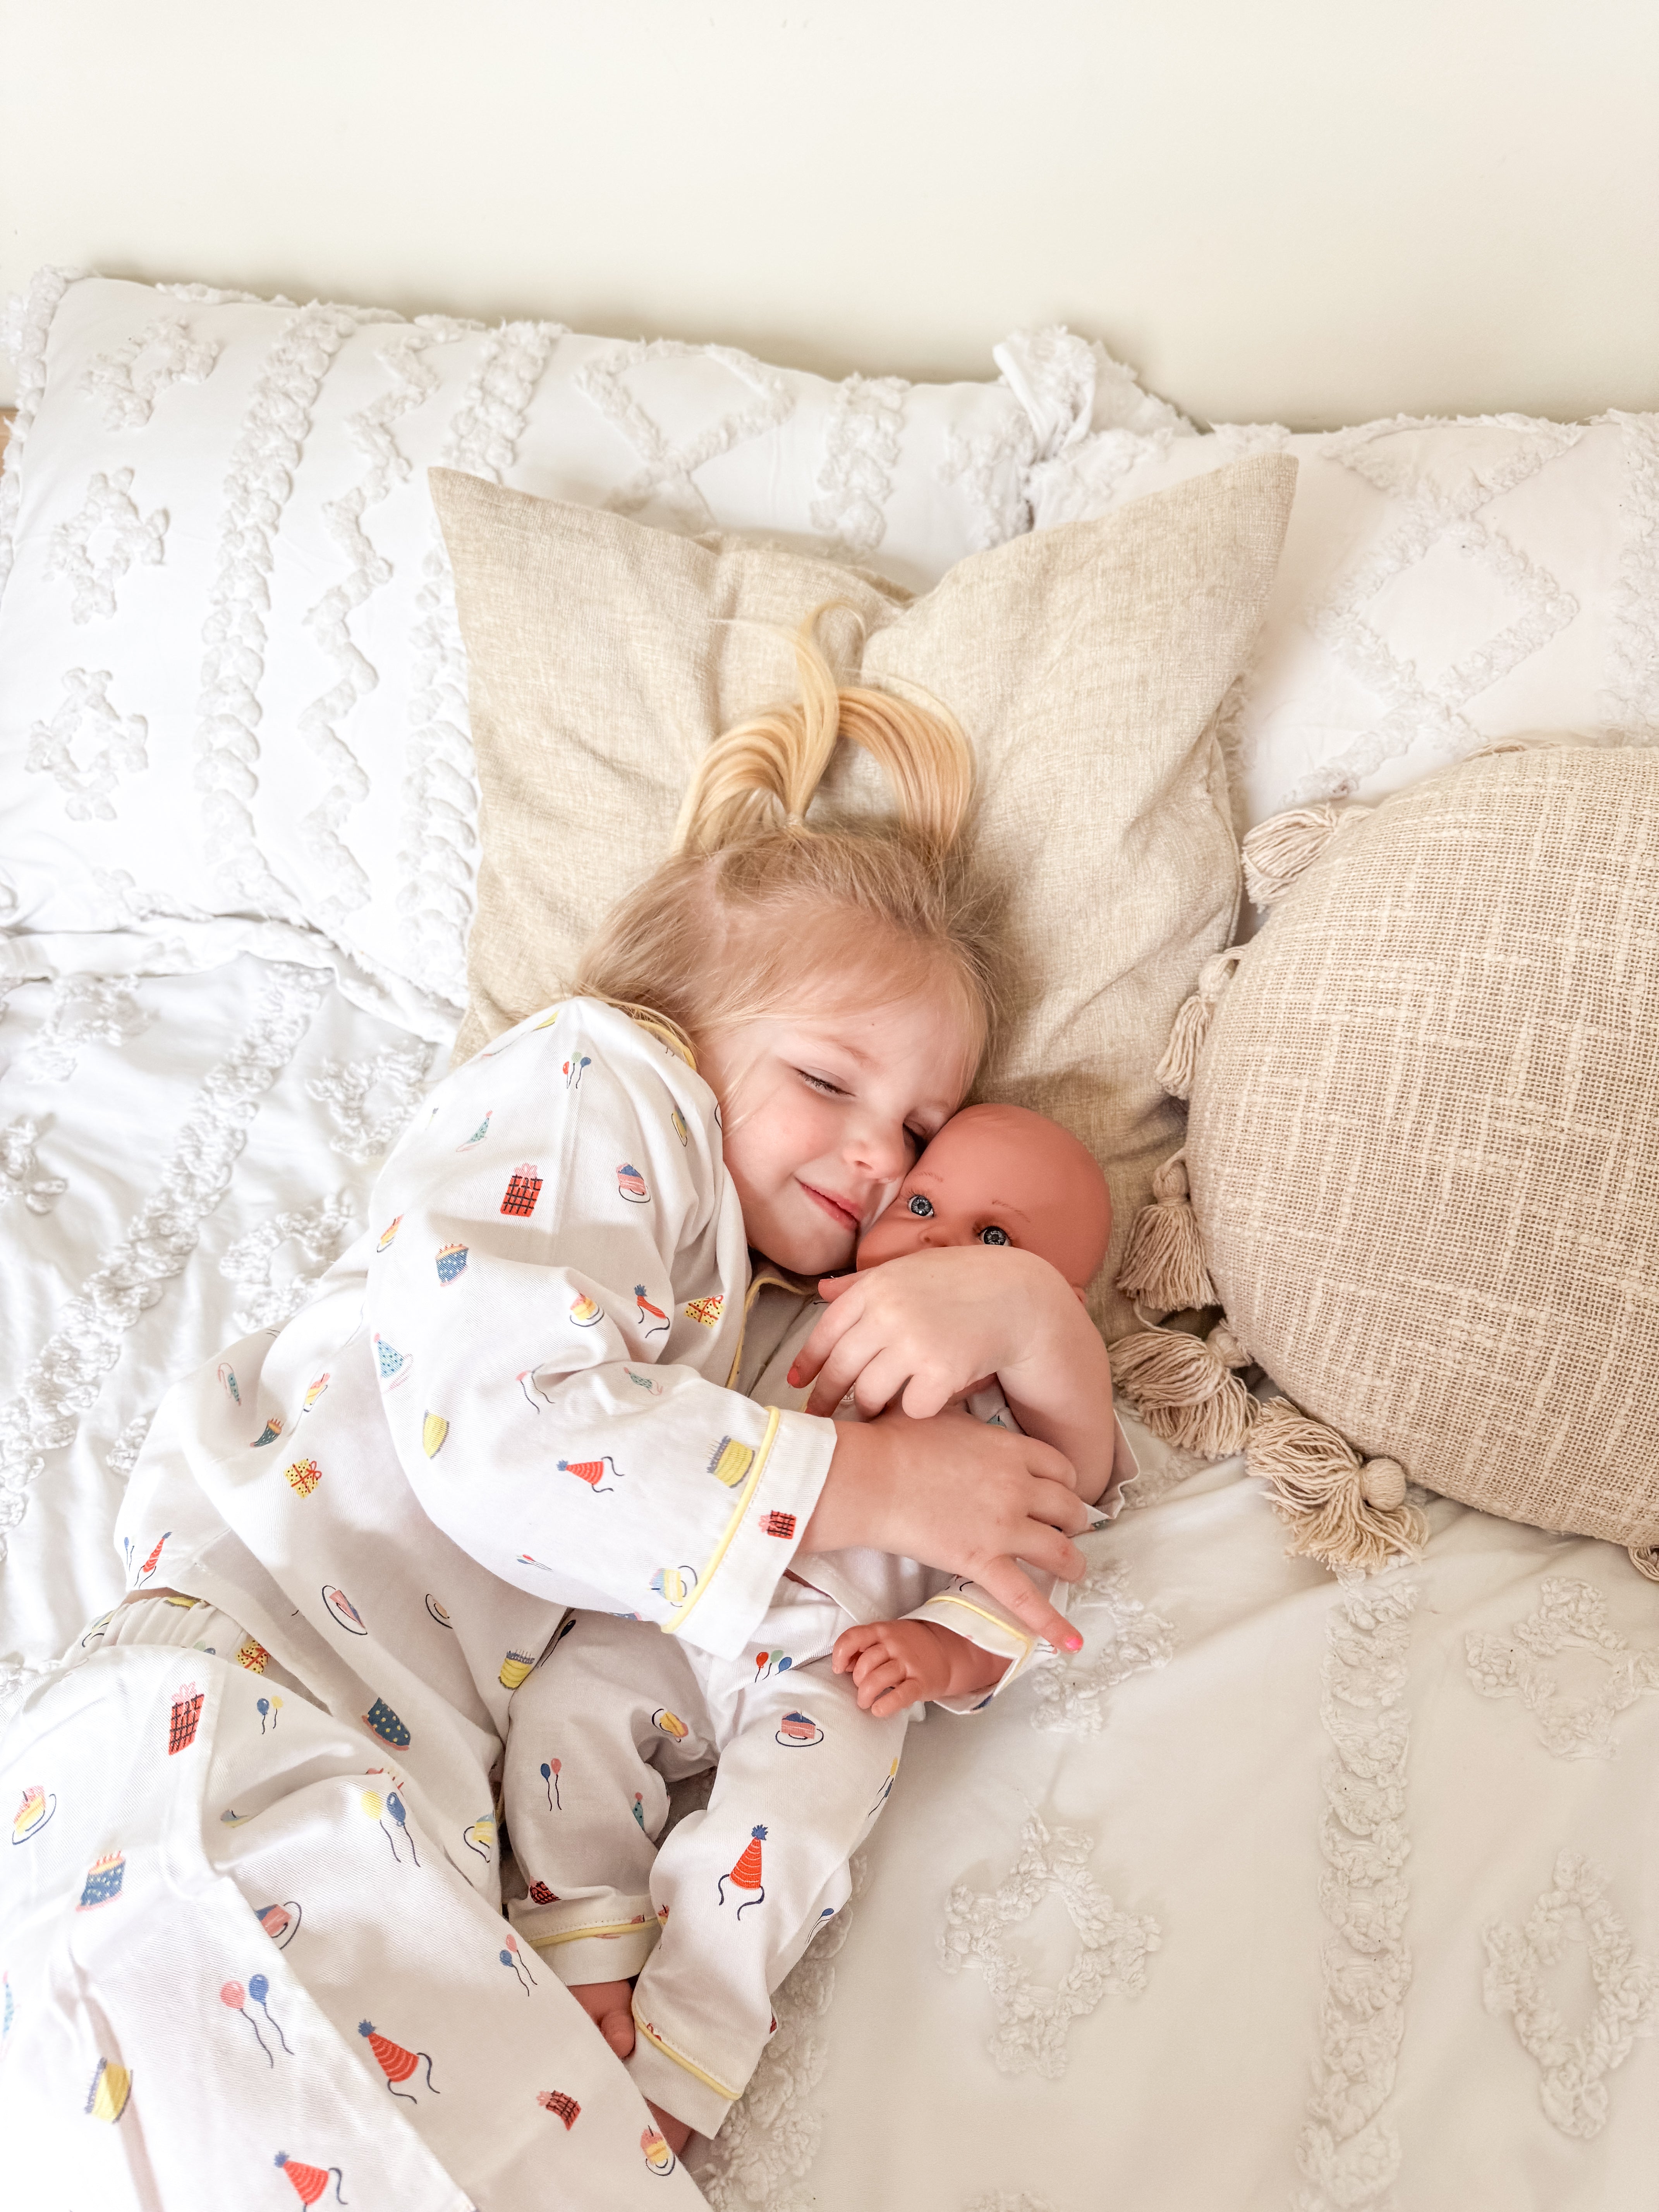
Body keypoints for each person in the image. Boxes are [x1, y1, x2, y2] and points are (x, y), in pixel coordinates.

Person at [0, 613, 1101, 2210]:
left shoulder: (737, 1320)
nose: (878, 1158)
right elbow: (504, 1436)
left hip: (382, 1813)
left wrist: (1027, 1316)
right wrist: (860, 1480)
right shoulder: (596, 1091)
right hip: (218, 1734)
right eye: (828, 1081)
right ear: (688, 1023)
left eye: (920, 1128)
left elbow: (1028, 1516)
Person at [503, 1101, 1133, 2149]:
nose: (935, 1241)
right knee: (565, 1713)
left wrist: (937, 1650)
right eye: (921, 1204)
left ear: (1058, 1302)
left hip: (834, 1663)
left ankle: (686, 2053)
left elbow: (1036, 1565)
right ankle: (586, 1935)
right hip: (687, 1599)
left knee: (785, 1834)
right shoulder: (796, 1311)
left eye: (992, 1240)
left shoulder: (1010, 1427)